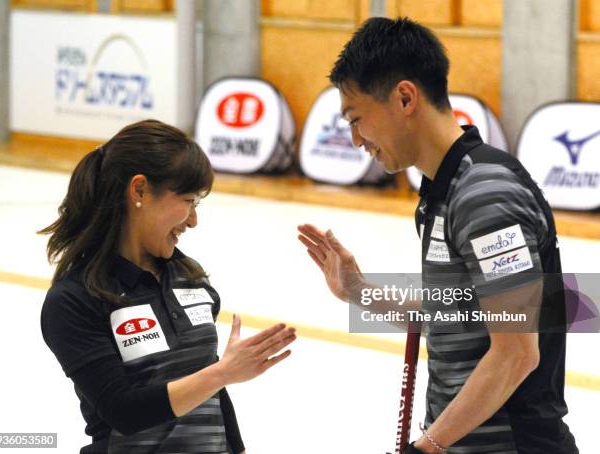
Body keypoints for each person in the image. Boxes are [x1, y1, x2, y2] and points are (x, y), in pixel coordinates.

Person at [297, 17, 578, 454]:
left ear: (405, 97)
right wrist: (360, 292)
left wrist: (427, 447)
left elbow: (516, 353)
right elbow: (457, 315)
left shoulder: (486, 194)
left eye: (356, 119)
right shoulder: (442, 192)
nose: (354, 140)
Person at [40, 119, 296, 454]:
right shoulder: (73, 301)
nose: (193, 220)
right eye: (189, 200)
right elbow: (123, 411)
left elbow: (211, 392)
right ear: (140, 190)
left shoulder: (191, 279)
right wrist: (222, 373)